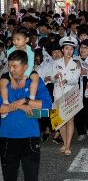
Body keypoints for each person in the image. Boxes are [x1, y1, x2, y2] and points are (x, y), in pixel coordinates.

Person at [0, 50, 52, 181]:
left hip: (30, 136)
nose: (11, 70)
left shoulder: (35, 81)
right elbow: (0, 108)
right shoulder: (4, 83)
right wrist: (21, 106)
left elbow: (47, 105)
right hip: (7, 136)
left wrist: (26, 100)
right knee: (9, 177)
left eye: (15, 66)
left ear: (25, 67)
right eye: (9, 66)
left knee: (31, 177)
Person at [0, 27, 40, 118]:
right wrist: (12, 79)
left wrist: (25, 77)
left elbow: (29, 65)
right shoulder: (10, 50)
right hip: (12, 72)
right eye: (13, 39)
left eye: (18, 39)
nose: (15, 42)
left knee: (35, 77)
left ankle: (31, 99)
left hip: (27, 71)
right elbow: (9, 66)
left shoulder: (30, 50)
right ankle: (5, 102)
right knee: (2, 82)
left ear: (26, 39)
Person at [52, 36, 81, 156]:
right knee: (60, 121)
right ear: (62, 49)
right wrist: (55, 76)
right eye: (66, 48)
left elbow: (75, 79)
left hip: (71, 94)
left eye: (71, 49)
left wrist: (66, 80)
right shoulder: (56, 62)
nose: (69, 51)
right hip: (58, 93)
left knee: (69, 120)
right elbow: (52, 77)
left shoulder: (77, 63)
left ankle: (68, 145)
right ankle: (65, 142)